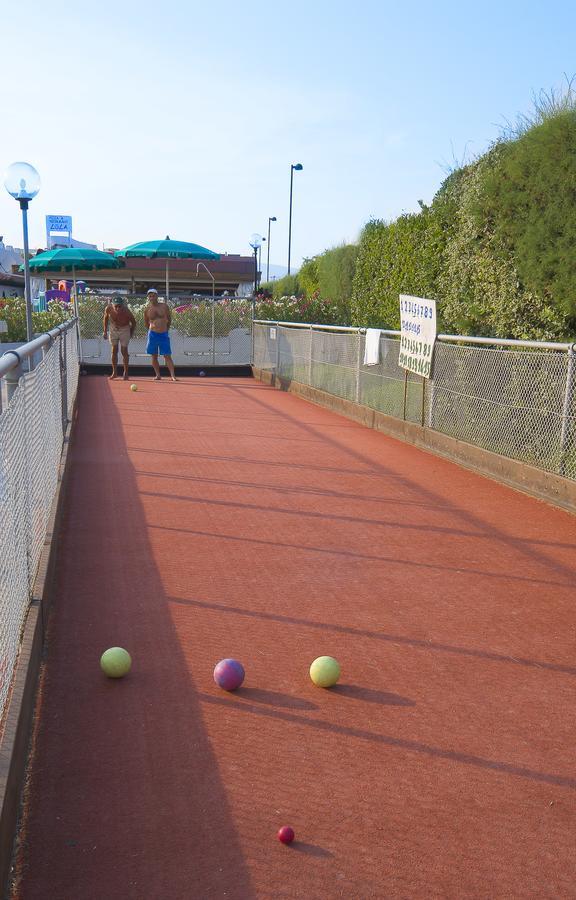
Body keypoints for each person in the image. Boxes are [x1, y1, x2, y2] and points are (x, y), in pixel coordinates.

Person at [144, 288, 177, 381]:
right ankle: (158, 375)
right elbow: (146, 322)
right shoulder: (147, 310)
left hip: (163, 334)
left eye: (153, 295)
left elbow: (169, 319)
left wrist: (166, 329)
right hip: (153, 335)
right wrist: (151, 330)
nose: (152, 297)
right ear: (148, 298)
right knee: (154, 356)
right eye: (150, 296)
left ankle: (173, 376)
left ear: (157, 296)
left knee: (167, 355)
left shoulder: (164, 306)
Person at [103, 295, 136, 380]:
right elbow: (105, 318)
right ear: (112, 305)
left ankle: (126, 372)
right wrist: (105, 331)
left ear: (123, 305)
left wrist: (131, 333)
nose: (118, 308)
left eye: (119, 306)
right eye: (116, 306)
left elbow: (133, 322)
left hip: (125, 329)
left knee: (124, 350)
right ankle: (114, 372)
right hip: (113, 328)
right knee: (114, 349)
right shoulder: (108, 308)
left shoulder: (127, 312)